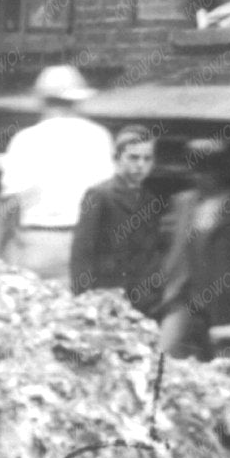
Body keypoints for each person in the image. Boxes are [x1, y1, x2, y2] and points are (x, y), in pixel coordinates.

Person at [0, 64, 115, 281]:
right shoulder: (99, 137)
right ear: (78, 100)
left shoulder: (24, 140)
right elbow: (109, 199)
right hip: (82, 242)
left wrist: (8, 246)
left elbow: (10, 204)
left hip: (34, 243)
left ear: (42, 100)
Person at [156, 139, 230, 361]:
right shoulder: (181, 202)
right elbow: (169, 247)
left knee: (220, 364)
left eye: (207, 171)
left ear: (222, 172)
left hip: (222, 301)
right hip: (182, 297)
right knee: (164, 357)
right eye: (195, 170)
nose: (200, 177)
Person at [70, 125, 165, 316]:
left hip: (140, 298)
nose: (140, 165)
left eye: (147, 159)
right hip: (104, 295)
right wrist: (85, 297)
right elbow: (82, 251)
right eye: (133, 157)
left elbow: (151, 252)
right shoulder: (100, 195)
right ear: (117, 158)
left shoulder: (150, 200)